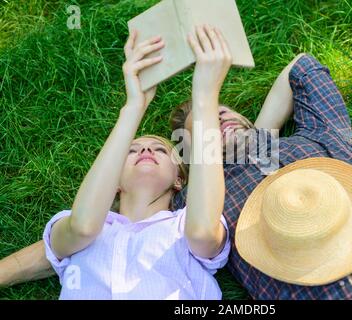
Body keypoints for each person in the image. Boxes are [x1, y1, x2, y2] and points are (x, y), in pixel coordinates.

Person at [2, 45, 352, 300]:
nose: (224, 118)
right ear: (187, 160)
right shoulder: (190, 203)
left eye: (229, 112)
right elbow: (80, 237)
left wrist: (263, 135)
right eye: (210, 124)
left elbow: (302, 67)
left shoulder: (315, 139)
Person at [0, 24, 233, 299]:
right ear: (114, 180)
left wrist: (205, 98)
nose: (146, 148)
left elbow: (204, 232)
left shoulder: (184, 226)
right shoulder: (79, 227)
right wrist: (134, 105)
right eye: (131, 150)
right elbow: (82, 226)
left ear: (179, 179)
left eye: (160, 149)